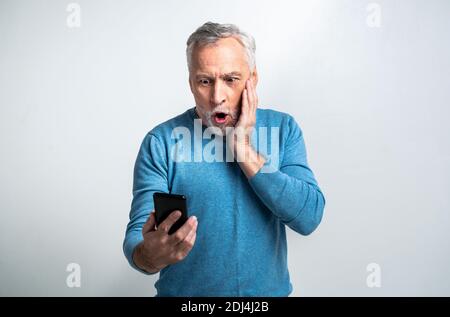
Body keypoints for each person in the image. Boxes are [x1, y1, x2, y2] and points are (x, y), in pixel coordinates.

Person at [123, 22, 325, 296]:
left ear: (252, 80)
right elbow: (137, 237)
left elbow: (309, 218)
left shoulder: (283, 129)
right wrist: (149, 255)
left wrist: (242, 148)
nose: (218, 96)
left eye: (231, 79)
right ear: (191, 83)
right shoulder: (161, 142)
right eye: (205, 81)